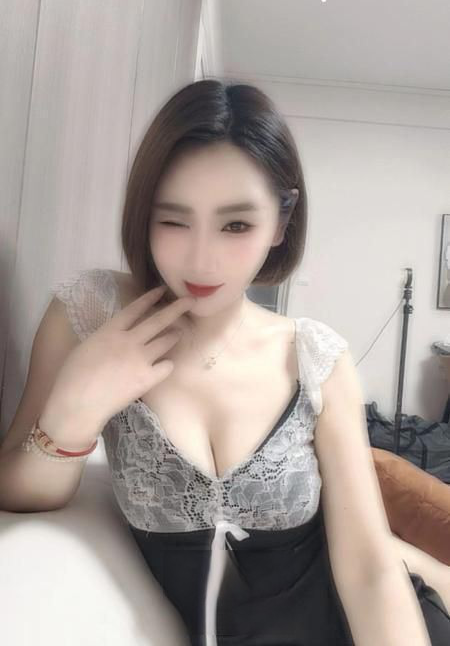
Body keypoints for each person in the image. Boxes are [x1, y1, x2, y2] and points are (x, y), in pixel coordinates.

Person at [18, 79, 450, 645]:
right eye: (173, 220)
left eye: (236, 225)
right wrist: (75, 410)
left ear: (281, 223)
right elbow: (17, 490)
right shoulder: (91, 312)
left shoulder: (316, 358)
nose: (202, 258)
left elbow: (369, 571)